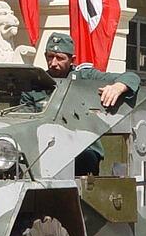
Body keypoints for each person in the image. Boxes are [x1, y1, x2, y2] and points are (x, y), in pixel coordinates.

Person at [26, 33, 140, 175]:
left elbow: (132, 77)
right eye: (50, 57)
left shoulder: (85, 77)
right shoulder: (36, 85)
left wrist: (118, 87)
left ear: (72, 59)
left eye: (60, 58)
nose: (53, 63)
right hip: (43, 149)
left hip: (83, 148)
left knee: (82, 159)